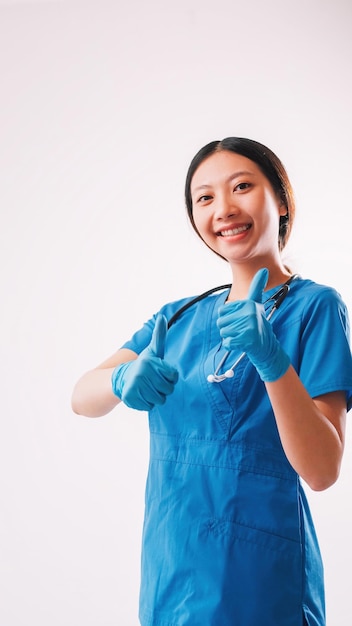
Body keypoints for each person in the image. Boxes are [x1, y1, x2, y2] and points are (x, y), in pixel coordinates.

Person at [72, 137, 352, 626]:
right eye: (204, 198)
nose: (224, 208)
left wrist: (271, 360)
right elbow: (81, 397)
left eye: (242, 186)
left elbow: (323, 469)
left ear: (281, 201)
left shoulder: (315, 308)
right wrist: (119, 380)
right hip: (170, 573)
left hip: (260, 584)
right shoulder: (178, 317)